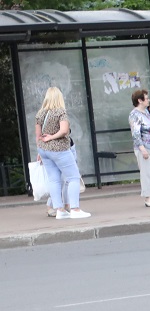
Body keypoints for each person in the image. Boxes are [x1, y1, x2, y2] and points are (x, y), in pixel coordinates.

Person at [34, 86, 89, 220]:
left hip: (44, 150)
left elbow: (38, 136)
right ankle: (75, 208)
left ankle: (59, 210)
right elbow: (64, 131)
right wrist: (52, 137)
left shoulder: (40, 113)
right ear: (59, 97)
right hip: (59, 149)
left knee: (54, 180)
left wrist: (40, 150)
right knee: (73, 177)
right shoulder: (61, 112)